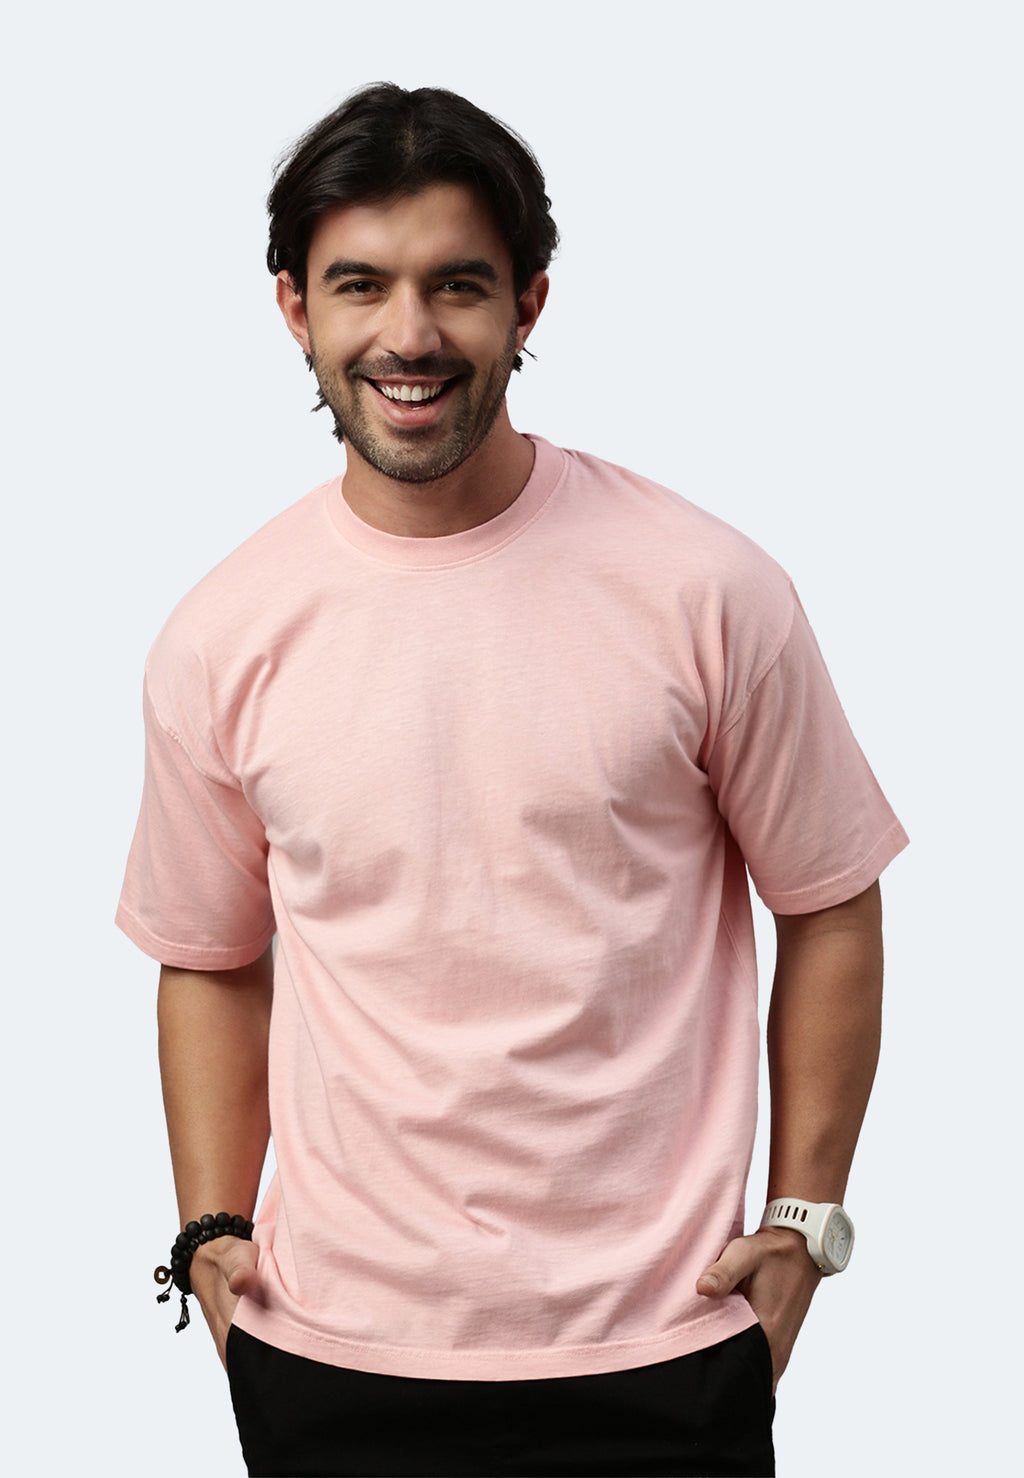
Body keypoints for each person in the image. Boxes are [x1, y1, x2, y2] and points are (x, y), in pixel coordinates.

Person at [118, 83, 907, 1478]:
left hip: (662, 1347)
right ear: (295, 309)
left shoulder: (708, 590)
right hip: (329, 1357)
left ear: (529, 304)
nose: (409, 335)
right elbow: (209, 957)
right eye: (360, 284)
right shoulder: (222, 635)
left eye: (458, 285)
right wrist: (209, 1230)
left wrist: (805, 1223)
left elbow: (831, 901)